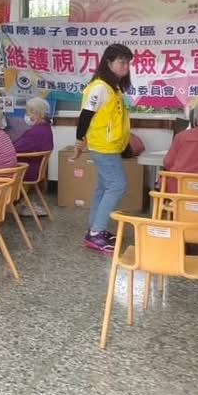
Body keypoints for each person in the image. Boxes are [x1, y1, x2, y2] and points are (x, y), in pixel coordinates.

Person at [72, 43, 134, 254]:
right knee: (117, 185)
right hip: (103, 146)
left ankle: (94, 228)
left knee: (103, 187)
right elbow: (85, 116)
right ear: (108, 63)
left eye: (128, 63)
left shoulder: (113, 88)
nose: (125, 67)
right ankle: (96, 231)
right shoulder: (100, 87)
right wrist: (79, 142)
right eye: (121, 62)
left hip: (110, 145)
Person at [12, 98, 56, 214]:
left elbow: (14, 149)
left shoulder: (36, 132)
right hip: (36, 168)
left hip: (28, 170)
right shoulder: (45, 128)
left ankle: (1, 203)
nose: (26, 115)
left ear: (35, 113)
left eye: (27, 112)